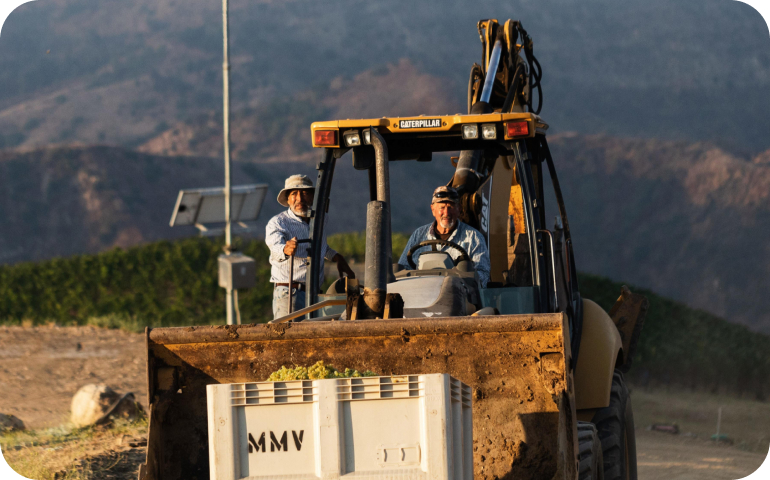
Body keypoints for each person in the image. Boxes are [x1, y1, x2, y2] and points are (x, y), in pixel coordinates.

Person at [265, 174, 355, 319]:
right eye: (294, 194)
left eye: (305, 193)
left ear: (313, 197)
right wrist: (285, 249)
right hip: (290, 294)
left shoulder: (319, 219)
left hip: (313, 295)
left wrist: (337, 257)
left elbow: (320, 246)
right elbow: (275, 247)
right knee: (290, 338)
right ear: (288, 199)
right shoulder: (278, 223)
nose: (300, 199)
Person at [398, 186, 490, 288]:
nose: (446, 213)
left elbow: (483, 273)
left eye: (450, 207)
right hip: (421, 296)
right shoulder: (418, 235)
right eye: (442, 207)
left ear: (459, 209)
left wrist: (463, 282)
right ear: (433, 209)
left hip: (458, 298)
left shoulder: (474, 237)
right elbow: (403, 268)